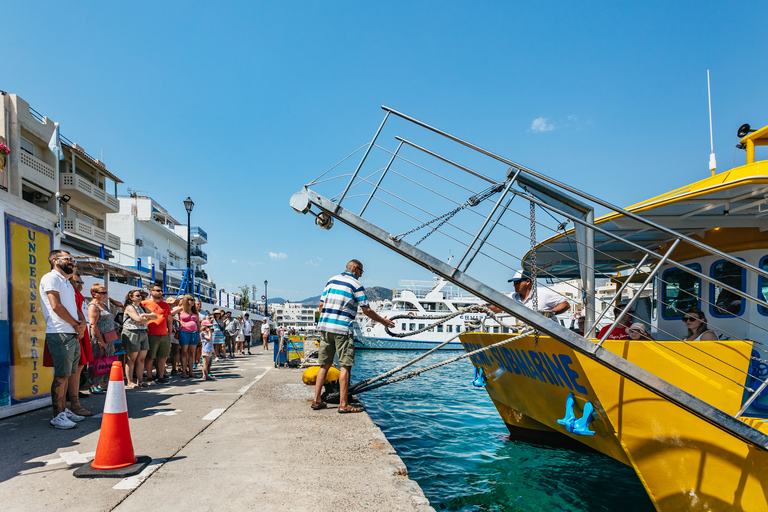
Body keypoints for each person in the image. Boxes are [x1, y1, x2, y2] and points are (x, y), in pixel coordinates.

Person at [312, 259, 395, 413]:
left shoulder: (331, 280)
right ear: (355, 269)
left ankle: (317, 400)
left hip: (325, 328)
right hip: (342, 329)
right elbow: (366, 310)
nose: (361, 276)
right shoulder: (356, 285)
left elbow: (321, 305)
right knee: (345, 366)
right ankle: (343, 404)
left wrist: (322, 323)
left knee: (324, 365)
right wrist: (383, 321)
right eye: (361, 272)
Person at [39, 250, 87, 429]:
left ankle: (64, 409)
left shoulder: (66, 282)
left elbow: (73, 308)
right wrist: (76, 324)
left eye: (73, 259)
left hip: (71, 333)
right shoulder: (50, 278)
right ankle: (57, 415)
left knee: (68, 374)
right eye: (68, 259)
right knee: (61, 375)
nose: (72, 262)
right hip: (60, 333)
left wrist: (80, 324)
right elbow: (56, 306)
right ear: (54, 260)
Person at [67, 272, 94, 416]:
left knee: (79, 367)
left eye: (81, 282)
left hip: (82, 334)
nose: (79, 285)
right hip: (75, 333)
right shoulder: (70, 294)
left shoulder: (79, 296)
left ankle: (73, 400)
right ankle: (71, 403)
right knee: (69, 370)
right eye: (76, 282)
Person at [488, 270, 570, 316]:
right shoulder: (513, 296)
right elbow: (499, 308)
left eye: (517, 282)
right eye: (514, 283)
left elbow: (565, 305)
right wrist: (484, 308)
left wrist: (551, 312)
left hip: (546, 334)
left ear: (527, 281)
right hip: (526, 332)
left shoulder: (543, 293)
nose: (514, 285)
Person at [122, 289, 156, 388]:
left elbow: (154, 315)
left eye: (141, 296)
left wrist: (145, 315)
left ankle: (140, 381)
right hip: (132, 332)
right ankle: (130, 381)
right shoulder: (129, 307)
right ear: (131, 297)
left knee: (141, 359)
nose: (140, 297)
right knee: (131, 359)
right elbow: (138, 319)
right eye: (137, 296)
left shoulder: (142, 308)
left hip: (143, 332)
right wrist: (147, 319)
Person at [88, 283, 118, 394]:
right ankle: (94, 384)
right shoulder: (93, 306)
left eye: (105, 292)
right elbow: (93, 325)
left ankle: (104, 383)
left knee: (107, 360)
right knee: (97, 360)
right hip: (100, 338)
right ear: (94, 294)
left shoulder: (104, 305)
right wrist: (100, 340)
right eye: (102, 293)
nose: (105, 295)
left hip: (108, 338)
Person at [142, 285, 173, 384]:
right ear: (151, 292)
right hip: (150, 334)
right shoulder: (144, 303)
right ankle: (150, 377)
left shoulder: (165, 305)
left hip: (164, 334)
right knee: (150, 357)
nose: (160, 292)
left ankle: (160, 377)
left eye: (161, 291)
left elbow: (169, 320)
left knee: (163, 357)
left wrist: (169, 335)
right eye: (158, 291)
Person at [177, 295, 201, 378]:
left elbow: (198, 324)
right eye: (191, 299)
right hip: (184, 332)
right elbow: (169, 313)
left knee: (192, 353)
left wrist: (199, 335)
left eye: (194, 299)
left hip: (194, 333)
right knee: (184, 352)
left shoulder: (195, 311)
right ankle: (184, 371)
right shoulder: (181, 309)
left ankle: (191, 372)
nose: (193, 301)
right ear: (186, 300)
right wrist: (178, 321)